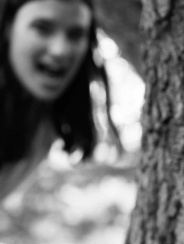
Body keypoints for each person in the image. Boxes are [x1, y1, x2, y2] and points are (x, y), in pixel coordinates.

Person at [0, 0, 120, 200]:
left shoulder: (45, 122)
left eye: (76, 34)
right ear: (8, 27)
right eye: (42, 29)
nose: (60, 50)